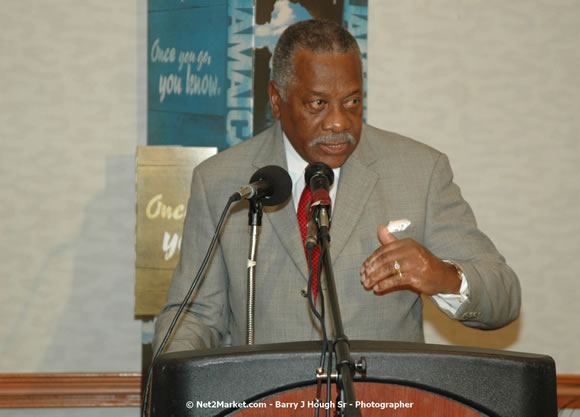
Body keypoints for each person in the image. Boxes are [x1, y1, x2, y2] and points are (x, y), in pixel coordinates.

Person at [153, 19, 520, 353]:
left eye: (352, 102)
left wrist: (441, 274)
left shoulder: (420, 172)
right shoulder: (221, 181)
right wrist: (178, 385)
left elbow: (503, 295)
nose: (338, 122)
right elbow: (195, 315)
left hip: (383, 403)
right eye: (318, 104)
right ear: (277, 100)